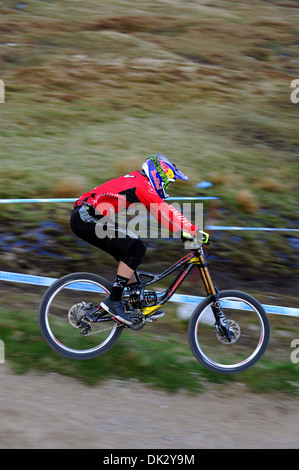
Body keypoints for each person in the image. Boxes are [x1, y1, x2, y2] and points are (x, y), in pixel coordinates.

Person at [70, 154, 208, 326]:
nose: (166, 186)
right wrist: (194, 231)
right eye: (167, 181)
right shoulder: (142, 185)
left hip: (91, 217)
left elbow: (159, 213)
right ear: (158, 176)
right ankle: (113, 301)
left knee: (132, 250)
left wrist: (182, 234)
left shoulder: (140, 182)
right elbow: (167, 210)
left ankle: (136, 304)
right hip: (87, 217)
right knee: (136, 248)